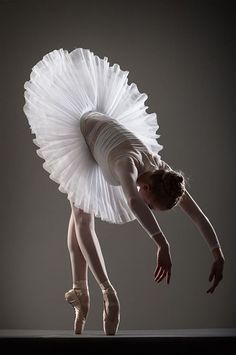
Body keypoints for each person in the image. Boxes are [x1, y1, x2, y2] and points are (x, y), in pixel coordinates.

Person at [23, 48, 225, 336]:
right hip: (81, 128)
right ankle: (106, 291)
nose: (148, 207)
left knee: (79, 210)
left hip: (103, 129)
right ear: (147, 188)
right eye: (152, 205)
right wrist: (161, 243)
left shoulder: (159, 167)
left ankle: (80, 291)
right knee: (82, 217)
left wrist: (217, 253)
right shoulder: (128, 165)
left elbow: (196, 213)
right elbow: (132, 200)